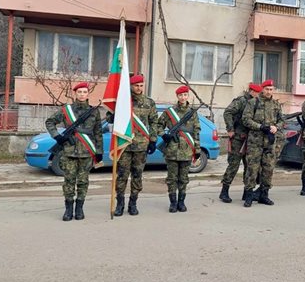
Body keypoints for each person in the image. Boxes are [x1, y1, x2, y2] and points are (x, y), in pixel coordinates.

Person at [45, 82, 102, 221]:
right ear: (75, 94)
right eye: (79, 92)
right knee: (69, 181)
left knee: (83, 181)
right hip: (69, 152)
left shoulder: (94, 111)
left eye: (84, 92)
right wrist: (56, 136)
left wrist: (99, 151)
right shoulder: (66, 110)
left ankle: (79, 209)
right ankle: (68, 210)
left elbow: (98, 132)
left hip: (86, 152)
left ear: (88, 94)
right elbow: (50, 121)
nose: (82, 94)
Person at [113, 75, 158, 216]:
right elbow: (110, 118)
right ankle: (120, 203)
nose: (139, 88)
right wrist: (115, 109)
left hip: (141, 145)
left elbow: (153, 122)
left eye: (141, 85)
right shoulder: (123, 101)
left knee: (137, 175)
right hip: (125, 144)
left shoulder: (149, 102)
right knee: (122, 175)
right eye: (136, 85)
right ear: (131, 86)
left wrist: (153, 140)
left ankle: (133, 203)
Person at [156, 85, 200, 213]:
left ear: (188, 96)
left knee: (184, 178)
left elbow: (196, 131)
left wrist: (196, 150)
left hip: (186, 150)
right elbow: (158, 125)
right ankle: (173, 203)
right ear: (177, 96)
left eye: (185, 95)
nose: (183, 97)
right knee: (171, 178)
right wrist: (164, 135)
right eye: (180, 95)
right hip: (172, 151)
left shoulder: (192, 113)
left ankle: (181, 202)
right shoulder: (169, 112)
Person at [241, 79, 284, 207]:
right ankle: (248, 196)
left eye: (271, 89)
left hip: (270, 143)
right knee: (252, 169)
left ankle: (264, 195)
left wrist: (276, 127)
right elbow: (246, 119)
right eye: (267, 89)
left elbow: (282, 120)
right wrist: (259, 127)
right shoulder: (253, 102)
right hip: (255, 142)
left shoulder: (276, 104)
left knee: (268, 169)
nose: (269, 92)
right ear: (262, 89)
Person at [220, 83, 262, 203]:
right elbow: (227, 112)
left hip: (251, 139)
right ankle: (224, 192)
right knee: (234, 165)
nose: (257, 95)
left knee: (249, 166)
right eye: (256, 92)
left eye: (258, 93)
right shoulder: (241, 101)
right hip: (238, 138)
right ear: (250, 91)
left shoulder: (258, 103)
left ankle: (246, 192)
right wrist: (230, 129)